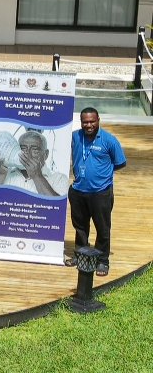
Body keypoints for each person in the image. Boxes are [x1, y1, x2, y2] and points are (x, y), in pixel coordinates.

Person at [67, 108, 126, 277]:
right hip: (78, 190)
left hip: (101, 192)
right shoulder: (75, 137)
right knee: (80, 227)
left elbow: (120, 162)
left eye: (92, 121)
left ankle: (102, 261)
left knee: (103, 228)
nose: (89, 125)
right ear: (81, 121)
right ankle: (80, 255)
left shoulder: (109, 140)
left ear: (98, 119)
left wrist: (103, 173)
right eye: (85, 122)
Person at [0, 130, 68, 196]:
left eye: (35, 149)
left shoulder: (59, 179)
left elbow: (56, 208)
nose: (28, 154)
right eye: (23, 148)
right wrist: (0, 174)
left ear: (46, 154)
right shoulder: (5, 174)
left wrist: (37, 176)